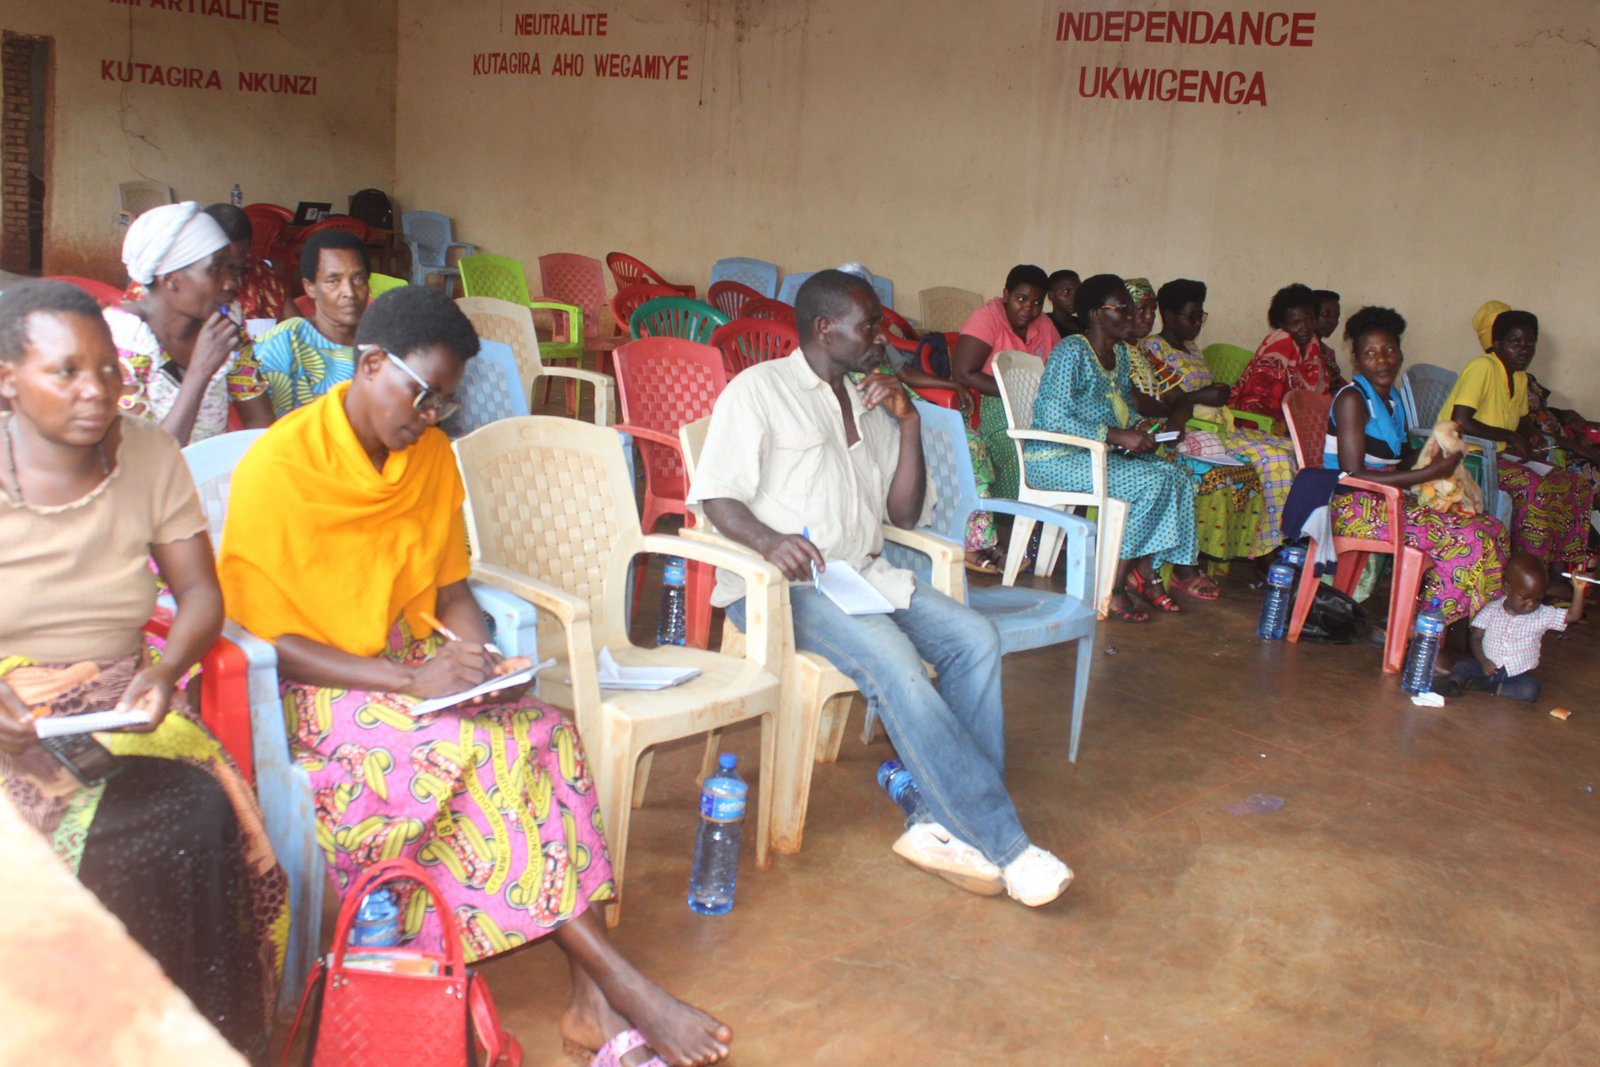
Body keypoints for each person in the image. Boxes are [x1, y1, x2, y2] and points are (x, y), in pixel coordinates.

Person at [216, 286, 731, 1067]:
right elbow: (264, 639)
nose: (429, 417)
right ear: (372, 363)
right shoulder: (280, 467)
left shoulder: (427, 461)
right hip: (316, 689)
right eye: (423, 395)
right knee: (488, 757)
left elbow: (453, 589)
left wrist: (477, 661)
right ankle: (621, 984)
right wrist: (405, 679)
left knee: (547, 732)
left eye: (445, 404)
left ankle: (592, 996)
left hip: (400, 663)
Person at [689, 269, 1073, 908]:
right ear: (824, 328)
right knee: (895, 662)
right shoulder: (759, 391)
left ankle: (938, 820)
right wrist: (767, 541)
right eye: (868, 326)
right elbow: (716, 495)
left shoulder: (868, 398)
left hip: (861, 575)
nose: (880, 339)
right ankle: (1005, 845)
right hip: (784, 586)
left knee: (974, 637)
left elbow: (902, 512)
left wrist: (910, 422)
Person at [0, 280, 288, 1059]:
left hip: (117, 697)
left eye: (106, 370)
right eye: (65, 371)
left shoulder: (152, 454)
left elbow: (199, 594)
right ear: (7, 379)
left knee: (198, 807)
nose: (95, 391)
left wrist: (165, 671)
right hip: (8, 704)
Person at [1023, 274, 1205, 622]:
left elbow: (1124, 408)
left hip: (1094, 455)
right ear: (1095, 314)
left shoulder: (1119, 355)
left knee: (1177, 477)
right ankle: (1114, 587)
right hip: (1055, 458)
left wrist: (1143, 428)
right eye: (1121, 307)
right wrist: (1117, 436)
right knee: (1150, 484)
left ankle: (1146, 573)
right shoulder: (1072, 351)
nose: (1131, 314)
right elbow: (1051, 417)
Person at [1322, 306, 1508, 629]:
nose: (1382, 360)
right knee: (1469, 539)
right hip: (1353, 506)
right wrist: (1428, 474)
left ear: (1400, 353)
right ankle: (1421, 627)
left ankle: (1465, 626)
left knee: (1492, 530)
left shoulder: (1392, 400)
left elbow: (1402, 458)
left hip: (1386, 500)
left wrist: (1436, 454)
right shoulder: (1352, 400)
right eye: (1371, 353)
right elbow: (1353, 476)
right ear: (1356, 359)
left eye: (1390, 350)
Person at [1142, 278, 1297, 559]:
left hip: (1222, 425)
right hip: (1194, 430)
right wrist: (1205, 394)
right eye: (1192, 315)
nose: (1198, 322)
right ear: (1169, 315)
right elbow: (1168, 402)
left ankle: (1285, 537)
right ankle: (1271, 547)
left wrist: (1215, 394)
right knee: (1277, 459)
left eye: (1202, 315)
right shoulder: (1153, 350)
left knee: (1293, 449)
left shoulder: (1192, 349)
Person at [106, 202, 274, 444]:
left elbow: (259, 420)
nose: (231, 283)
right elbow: (147, 459)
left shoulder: (225, 325)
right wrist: (199, 372)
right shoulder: (123, 341)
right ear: (171, 279)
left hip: (211, 473)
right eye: (216, 269)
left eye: (232, 270)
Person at [1443, 306, 1595, 573]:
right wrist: (1512, 436)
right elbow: (1462, 421)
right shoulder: (1483, 367)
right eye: (1515, 342)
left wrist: (1529, 433)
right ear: (1498, 344)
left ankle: (1560, 569)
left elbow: (1521, 418)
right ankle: (1527, 572)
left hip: (1497, 457)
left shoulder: (1520, 376)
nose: (1524, 350)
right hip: (1466, 459)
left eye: (1529, 343)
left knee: (1574, 484)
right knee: (1532, 486)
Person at [254, 229, 371, 415]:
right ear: (310, 288)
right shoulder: (285, 343)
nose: (349, 291)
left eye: (358, 279)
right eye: (334, 281)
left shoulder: (385, 343)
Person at [1444, 552, 1583, 701]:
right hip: (1485, 666)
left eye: (1538, 599)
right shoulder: (1491, 610)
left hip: (1516, 674)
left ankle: (1486, 687)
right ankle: (1453, 684)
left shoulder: (1543, 614)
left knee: (1530, 690)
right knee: (1463, 666)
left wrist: (1579, 590)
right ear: (1507, 588)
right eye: (1525, 598)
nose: (1531, 604)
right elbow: (1476, 638)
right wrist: (1483, 660)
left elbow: (1573, 616)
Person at [1230, 282, 1346, 422]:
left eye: (1309, 320)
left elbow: (1321, 395)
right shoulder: (1281, 343)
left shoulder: (1312, 344)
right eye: (1296, 323)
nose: (1305, 327)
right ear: (1281, 324)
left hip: (1297, 423)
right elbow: (1257, 403)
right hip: (1259, 422)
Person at [1046, 269, 1083, 338]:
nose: (1075, 297)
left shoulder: (1084, 324)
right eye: (1067, 292)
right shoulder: (1046, 325)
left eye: (1078, 291)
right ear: (1051, 296)